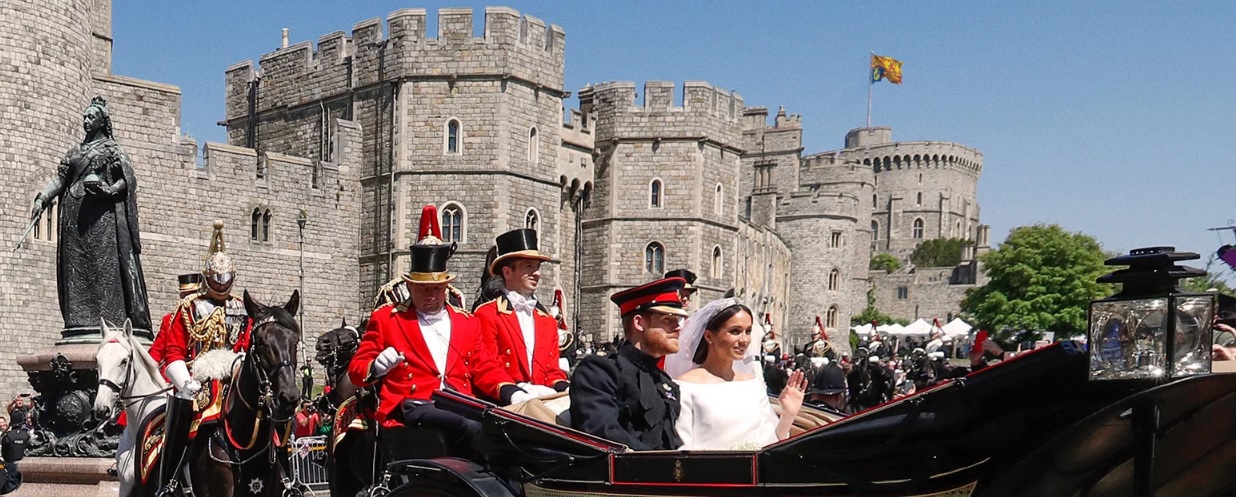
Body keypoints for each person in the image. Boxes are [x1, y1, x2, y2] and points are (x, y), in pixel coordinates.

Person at [347, 205, 524, 459]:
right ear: (409, 286)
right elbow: (356, 369)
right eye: (423, 289)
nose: (431, 296)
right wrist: (376, 366)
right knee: (469, 426)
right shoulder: (388, 319)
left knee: (503, 425)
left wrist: (510, 390)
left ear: (447, 287)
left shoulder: (466, 322)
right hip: (411, 406)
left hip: (461, 403)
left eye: (437, 289)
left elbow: (484, 366)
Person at [29, 96, 152, 339]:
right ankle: (78, 322)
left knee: (104, 272)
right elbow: (60, 179)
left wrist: (109, 190)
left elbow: (127, 180)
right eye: (84, 117)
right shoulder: (75, 151)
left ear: (101, 121)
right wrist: (42, 199)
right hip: (73, 222)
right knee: (76, 272)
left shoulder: (112, 149)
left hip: (102, 221)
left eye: (91, 117)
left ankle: (109, 321)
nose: (86, 121)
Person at [156, 221, 253, 490]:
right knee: (181, 418)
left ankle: (283, 474)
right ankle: (171, 477)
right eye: (216, 279)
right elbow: (173, 350)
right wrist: (183, 381)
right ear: (206, 277)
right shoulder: (189, 308)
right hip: (199, 381)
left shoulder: (242, 308)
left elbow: (246, 343)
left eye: (226, 279)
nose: (221, 284)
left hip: (235, 376)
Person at [665, 298, 807, 450]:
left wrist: (788, 415)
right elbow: (682, 449)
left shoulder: (753, 384)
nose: (744, 340)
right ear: (709, 336)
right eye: (735, 331)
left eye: (748, 331)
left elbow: (769, 443)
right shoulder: (685, 387)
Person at [570, 277, 689, 450]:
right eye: (668, 320)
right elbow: (603, 433)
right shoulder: (600, 371)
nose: (678, 327)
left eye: (679, 320)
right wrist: (657, 463)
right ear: (639, 323)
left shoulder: (667, 384)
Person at [475, 228, 568, 396]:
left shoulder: (547, 321)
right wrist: (516, 391)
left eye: (537, 267)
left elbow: (552, 371)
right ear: (508, 272)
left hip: (543, 402)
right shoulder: (487, 315)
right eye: (528, 267)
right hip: (505, 403)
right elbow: (486, 367)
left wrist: (564, 387)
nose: (537, 273)